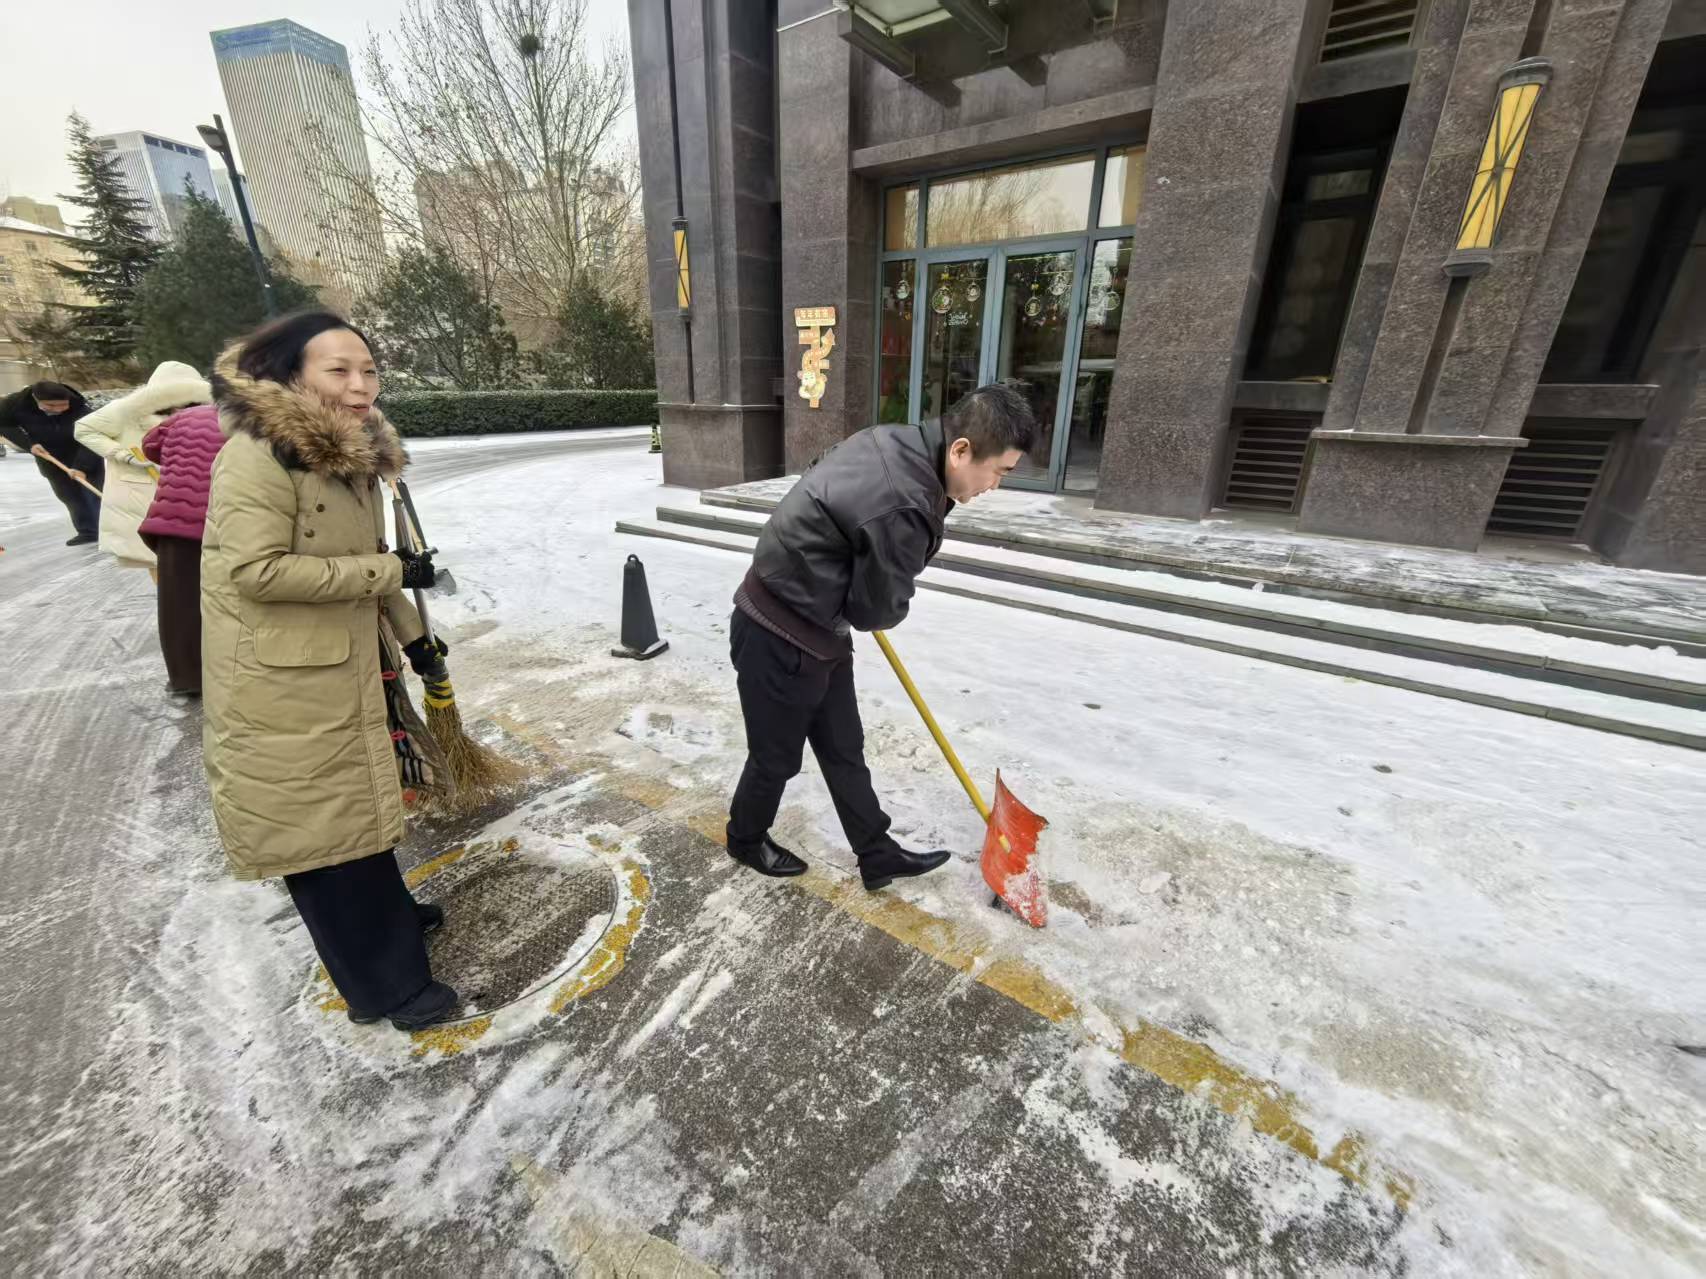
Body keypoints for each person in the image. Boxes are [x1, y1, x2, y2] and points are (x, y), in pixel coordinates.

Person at [201, 310, 459, 1031]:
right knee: (319, 832)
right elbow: (257, 571)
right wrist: (391, 570)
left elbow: (372, 569)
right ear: (289, 374)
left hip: (342, 659)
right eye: (338, 370)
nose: (360, 385)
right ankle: (385, 989)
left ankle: (389, 920)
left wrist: (416, 641)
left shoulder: (350, 457)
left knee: (355, 808)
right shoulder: (258, 455)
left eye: (368, 370)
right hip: (284, 680)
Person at [725, 383, 1038, 889]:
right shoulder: (905, 504)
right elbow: (875, 611)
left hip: (818, 624)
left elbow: (822, 468)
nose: (995, 486)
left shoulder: (894, 439)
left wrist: (843, 561)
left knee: (844, 745)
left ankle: (876, 853)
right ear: (961, 450)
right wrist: (857, 581)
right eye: (999, 471)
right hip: (778, 631)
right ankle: (744, 838)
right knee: (775, 757)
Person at [75, 361, 212, 576]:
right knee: (155, 557)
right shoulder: (125, 410)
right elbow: (84, 429)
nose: (179, 408)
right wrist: (121, 454)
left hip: (192, 493)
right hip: (142, 492)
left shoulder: (211, 415)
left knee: (200, 557)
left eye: (189, 402)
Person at [138, 403, 225, 696]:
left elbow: (150, 447)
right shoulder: (260, 416)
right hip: (225, 517)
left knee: (179, 603)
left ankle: (187, 678)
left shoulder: (184, 417)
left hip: (174, 519)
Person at [0, 381, 105, 545]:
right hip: (49, 456)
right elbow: (5, 425)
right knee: (69, 496)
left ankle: (107, 532)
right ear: (36, 399)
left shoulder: (80, 407)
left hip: (83, 452)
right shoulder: (15, 404)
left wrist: (82, 467)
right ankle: (88, 531)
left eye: (63, 405)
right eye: (51, 405)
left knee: (93, 494)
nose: (58, 409)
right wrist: (29, 444)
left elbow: (92, 439)